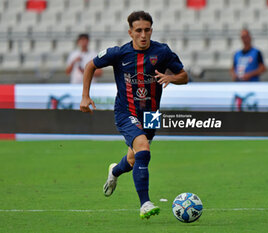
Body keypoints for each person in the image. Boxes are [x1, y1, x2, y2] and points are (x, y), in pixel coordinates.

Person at [79, 11, 188, 219]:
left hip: (151, 114)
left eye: (147, 30)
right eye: (138, 30)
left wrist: (171, 77)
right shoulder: (119, 53)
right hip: (125, 111)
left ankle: (114, 172)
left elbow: (184, 76)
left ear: (151, 30)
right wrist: (85, 96)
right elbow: (90, 65)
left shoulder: (162, 52)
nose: (143, 35)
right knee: (143, 149)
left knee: (133, 159)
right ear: (130, 32)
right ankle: (145, 203)